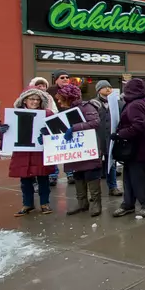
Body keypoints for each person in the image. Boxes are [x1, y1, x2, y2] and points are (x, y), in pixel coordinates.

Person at [54, 83, 104, 217]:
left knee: (91, 175)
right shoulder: (64, 111)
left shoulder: (86, 107)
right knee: (78, 175)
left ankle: (95, 203)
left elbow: (95, 122)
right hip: (75, 151)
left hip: (88, 149)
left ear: (68, 97)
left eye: (61, 98)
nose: (58, 101)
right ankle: (82, 203)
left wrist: (74, 128)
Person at [111, 78, 145, 218]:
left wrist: (119, 134)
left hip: (136, 147)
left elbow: (138, 126)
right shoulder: (140, 102)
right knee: (129, 177)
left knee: (138, 178)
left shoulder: (135, 104)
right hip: (138, 147)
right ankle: (128, 203)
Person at [8, 88, 55, 215]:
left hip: (40, 152)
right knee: (25, 180)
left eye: (37, 99)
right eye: (32, 99)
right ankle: (27, 204)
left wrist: (49, 131)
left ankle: (45, 203)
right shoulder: (15, 114)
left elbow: (56, 130)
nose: (34, 102)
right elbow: (9, 134)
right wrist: (5, 130)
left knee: (43, 178)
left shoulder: (47, 113)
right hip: (22, 152)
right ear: (24, 100)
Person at [89, 80, 122, 197]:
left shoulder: (116, 103)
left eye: (109, 86)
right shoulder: (93, 103)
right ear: (99, 90)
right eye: (104, 87)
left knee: (111, 163)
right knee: (95, 165)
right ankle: (95, 192)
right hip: (97, 137)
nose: (108, 89)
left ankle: (113, 187)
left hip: (111, 138)